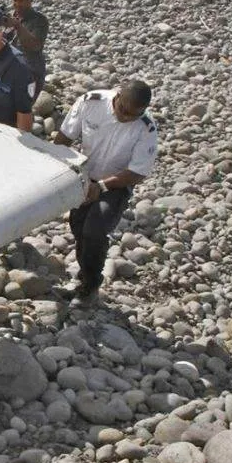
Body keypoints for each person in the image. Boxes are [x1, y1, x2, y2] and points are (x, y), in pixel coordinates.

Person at [54, 80, 158, 307]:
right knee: (79, 227)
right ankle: (83, 274)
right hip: (84, 175)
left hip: (116, 184)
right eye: (122, 110)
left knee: (96, 228)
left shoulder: (146, 128)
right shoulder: (91, 102)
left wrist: (100, 187)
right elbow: (64, 137)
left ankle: (91, 285)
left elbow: (137, 172)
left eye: (132, 115)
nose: (125, 117)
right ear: (117, 95)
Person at [4, 0, 49, 95]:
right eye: (15, 0)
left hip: (31, 73)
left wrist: (18, 26)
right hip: (9, 69)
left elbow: (35, 46)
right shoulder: (12, 16)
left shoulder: (39, 20)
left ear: (31, 0)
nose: (17, 4)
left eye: (21, 1)